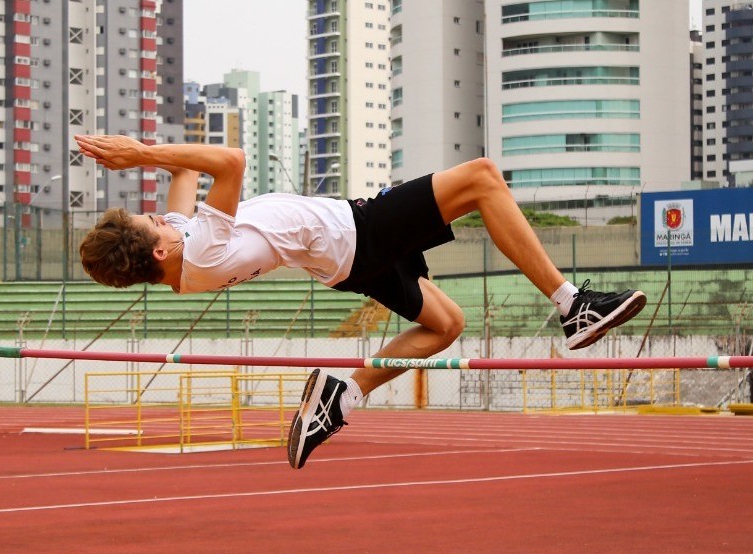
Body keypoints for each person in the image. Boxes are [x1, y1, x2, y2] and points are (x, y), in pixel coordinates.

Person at [74, 135, 646, 469]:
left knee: (446, 325)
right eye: (152, 221)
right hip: (357, 231)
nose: (161, 215)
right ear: (156, 251)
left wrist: (136, 156)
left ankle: (343, 394)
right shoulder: (200, 249)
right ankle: (574, 305)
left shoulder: (181, 256)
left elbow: (181, 171)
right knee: (482, 178)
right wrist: (142, 151)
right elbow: (229, 161)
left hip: (345, 262)